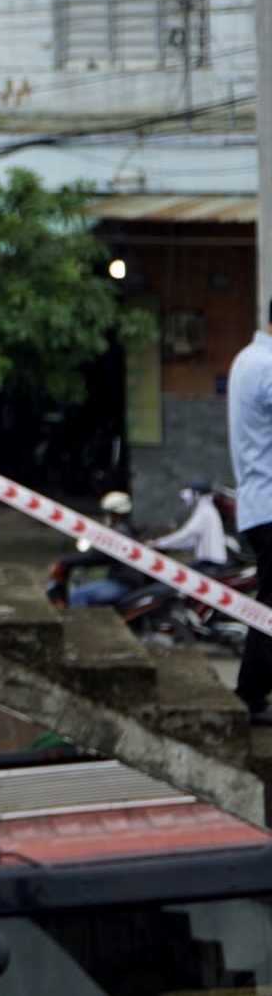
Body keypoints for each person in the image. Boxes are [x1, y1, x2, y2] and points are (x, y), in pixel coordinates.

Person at [232, 307, 272, 725]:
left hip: (257, 503)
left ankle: (252, 693)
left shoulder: (247, 358)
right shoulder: (267, 365)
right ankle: (250, 695)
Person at [62, 491, 145, 608]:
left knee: (78, 595)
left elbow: (99, 557)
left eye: (107, 514)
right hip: (125, 581)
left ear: (115, 514)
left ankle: (82, 626)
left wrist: (66, 561)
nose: (106, 517)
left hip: (123, 583)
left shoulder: (120, 532)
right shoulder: (128, 529)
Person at [149, 480, 229, 573]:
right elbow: (191, 542)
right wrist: (167, 545)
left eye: (189, 496)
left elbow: (185, 534)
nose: (187, 500)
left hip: (210, 564)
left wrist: (159, 543)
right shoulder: (206, 509)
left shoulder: (204, 511)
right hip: (210, 562)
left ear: (197, 495)